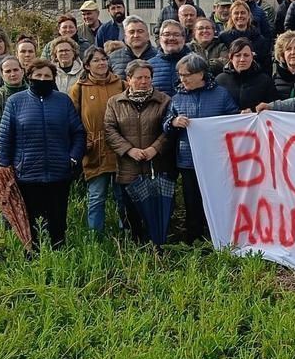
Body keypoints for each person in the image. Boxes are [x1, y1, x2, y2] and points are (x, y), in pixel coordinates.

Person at [0, 59, 85, 250]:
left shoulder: (63, 101)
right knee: (31, 219)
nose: (42, 79)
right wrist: (4, 169)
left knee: (58, 218)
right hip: (26, 173)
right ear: (29, 77)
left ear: (53, 78)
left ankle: (60, 252)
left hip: (59, 171)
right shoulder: (15, 102)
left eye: (47, 76)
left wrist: (72, 158)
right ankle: (33, 255)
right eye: (38, 75)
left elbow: (78, 132)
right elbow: (5, 138)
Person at [165, 54, 239, 244]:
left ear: (201, 74)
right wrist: (173, 122)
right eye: (180, 75)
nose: (183, 79)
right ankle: (194, 241)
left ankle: (220, 239)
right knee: (192, 202)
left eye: (187, 74)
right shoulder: (177, 98)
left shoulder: (220, 94)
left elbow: (234, 120)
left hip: (216, 161)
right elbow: (165, 126)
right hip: (188, 160)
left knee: (217, 200)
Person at [103, 59, 171, 242]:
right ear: (129, 79)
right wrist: (128, 150)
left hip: (155, 166)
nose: (144, 82)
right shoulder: (115, 102)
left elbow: (169, 130)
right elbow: (109, 130)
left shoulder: (164, 100)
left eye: (147, 78)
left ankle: (157, 244)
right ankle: (136, 246)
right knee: (130, 210)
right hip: (128, 167)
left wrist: (154, 148)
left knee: (155, 210)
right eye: (139, 78)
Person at [68, 46, 125, 234]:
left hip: (119, 147)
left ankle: (127, 234)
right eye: (95, 60)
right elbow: (72, 119)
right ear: (86, 65)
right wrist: (81, 143)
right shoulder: (79, 88)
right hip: (94, 148)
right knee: (97, 196)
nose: (101, 63)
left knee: (122, 195)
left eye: (103, 59)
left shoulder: (121, 84)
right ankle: (96, 237)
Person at [216, 38, 277, 112]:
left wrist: (253, 111)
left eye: (246, 55)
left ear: (252, 56)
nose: (242, 59)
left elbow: (272, 109)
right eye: (238, 55)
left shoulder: (265, 81)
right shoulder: (220, 81)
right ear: (231, 57)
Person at [218, 0, 271, 70]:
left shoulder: (259, 39)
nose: (240, 16)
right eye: (236, 13)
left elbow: (266, 65)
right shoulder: (223, 37)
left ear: (248, 15)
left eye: (243, 13)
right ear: (231, 16)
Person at [0, 56, 26, 148]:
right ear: (2, 75)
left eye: (15, 70)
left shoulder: (34, 94)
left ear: (22, 71)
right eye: (8, 71)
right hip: (8, 149)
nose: (12, 74)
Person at [148, 20, 192, 94]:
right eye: (167, 34)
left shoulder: (196, 63)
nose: (171, 38)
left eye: (176, 35)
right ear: (160, 38)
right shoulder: (149, 65)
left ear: (184, 39)